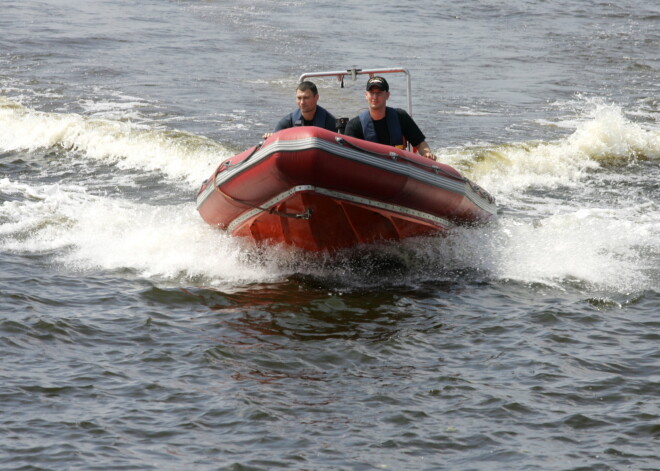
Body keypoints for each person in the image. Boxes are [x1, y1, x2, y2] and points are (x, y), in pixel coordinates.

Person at [344, 76, 436, 160]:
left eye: (379, 93)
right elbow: (348, 156)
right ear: (366, 95)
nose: (375, 97)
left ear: (387, 95)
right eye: (372, 93)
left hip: (398, 168)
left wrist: (427, 154)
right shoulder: (354, 125)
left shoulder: (401, 117)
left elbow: (420, 143)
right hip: (369, 169)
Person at [263, 81, 337, 138]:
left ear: (316, 98)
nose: (302, 102)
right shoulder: (286, 123)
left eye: (306, 98)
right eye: (299, 98)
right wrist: (270, 138)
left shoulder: (330, 122)